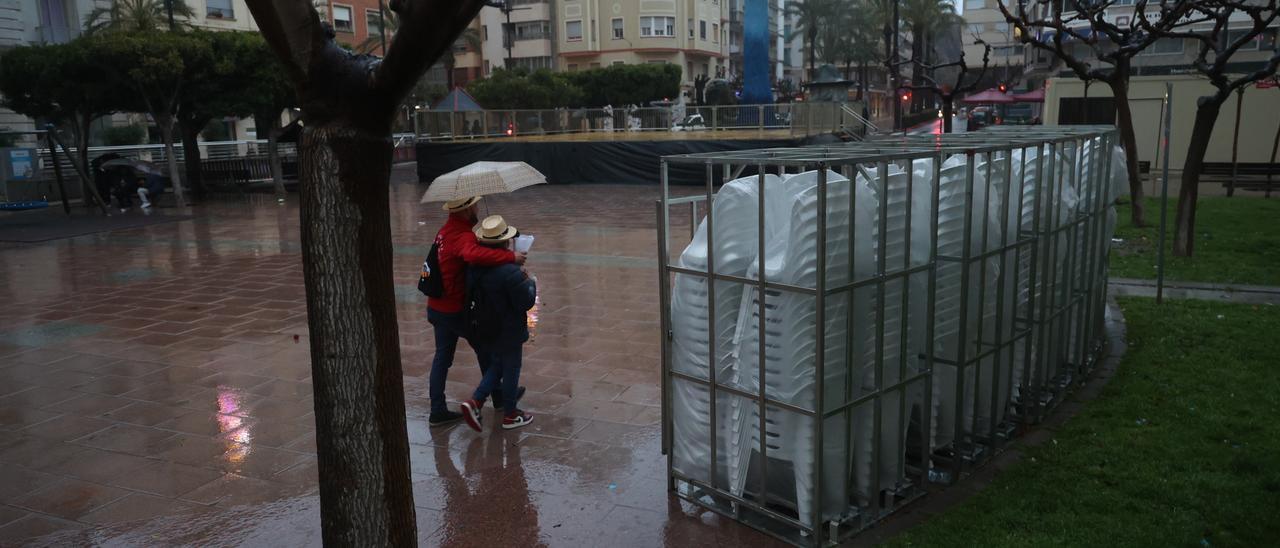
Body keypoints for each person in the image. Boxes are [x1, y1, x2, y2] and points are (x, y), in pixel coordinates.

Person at [428, 196, 527, 426]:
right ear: (465, 210)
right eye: (474, 206)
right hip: (455, 309)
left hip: (437, 306)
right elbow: (472, 255)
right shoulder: (462, 236)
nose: (477, 209)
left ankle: (437, 409)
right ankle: (495, 398)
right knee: (490, 351)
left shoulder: (445, 231)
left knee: (442, 357)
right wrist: (510, 256)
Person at [459, 215, 536, 431]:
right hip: (508, 329)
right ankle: (510, 414)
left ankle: (476, 401)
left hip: (485, 326)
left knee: (498, 365)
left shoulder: (475, 266)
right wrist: (529, 282)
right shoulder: (510, 272)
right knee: (511, 368)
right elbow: (526, 301)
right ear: (505, 242)